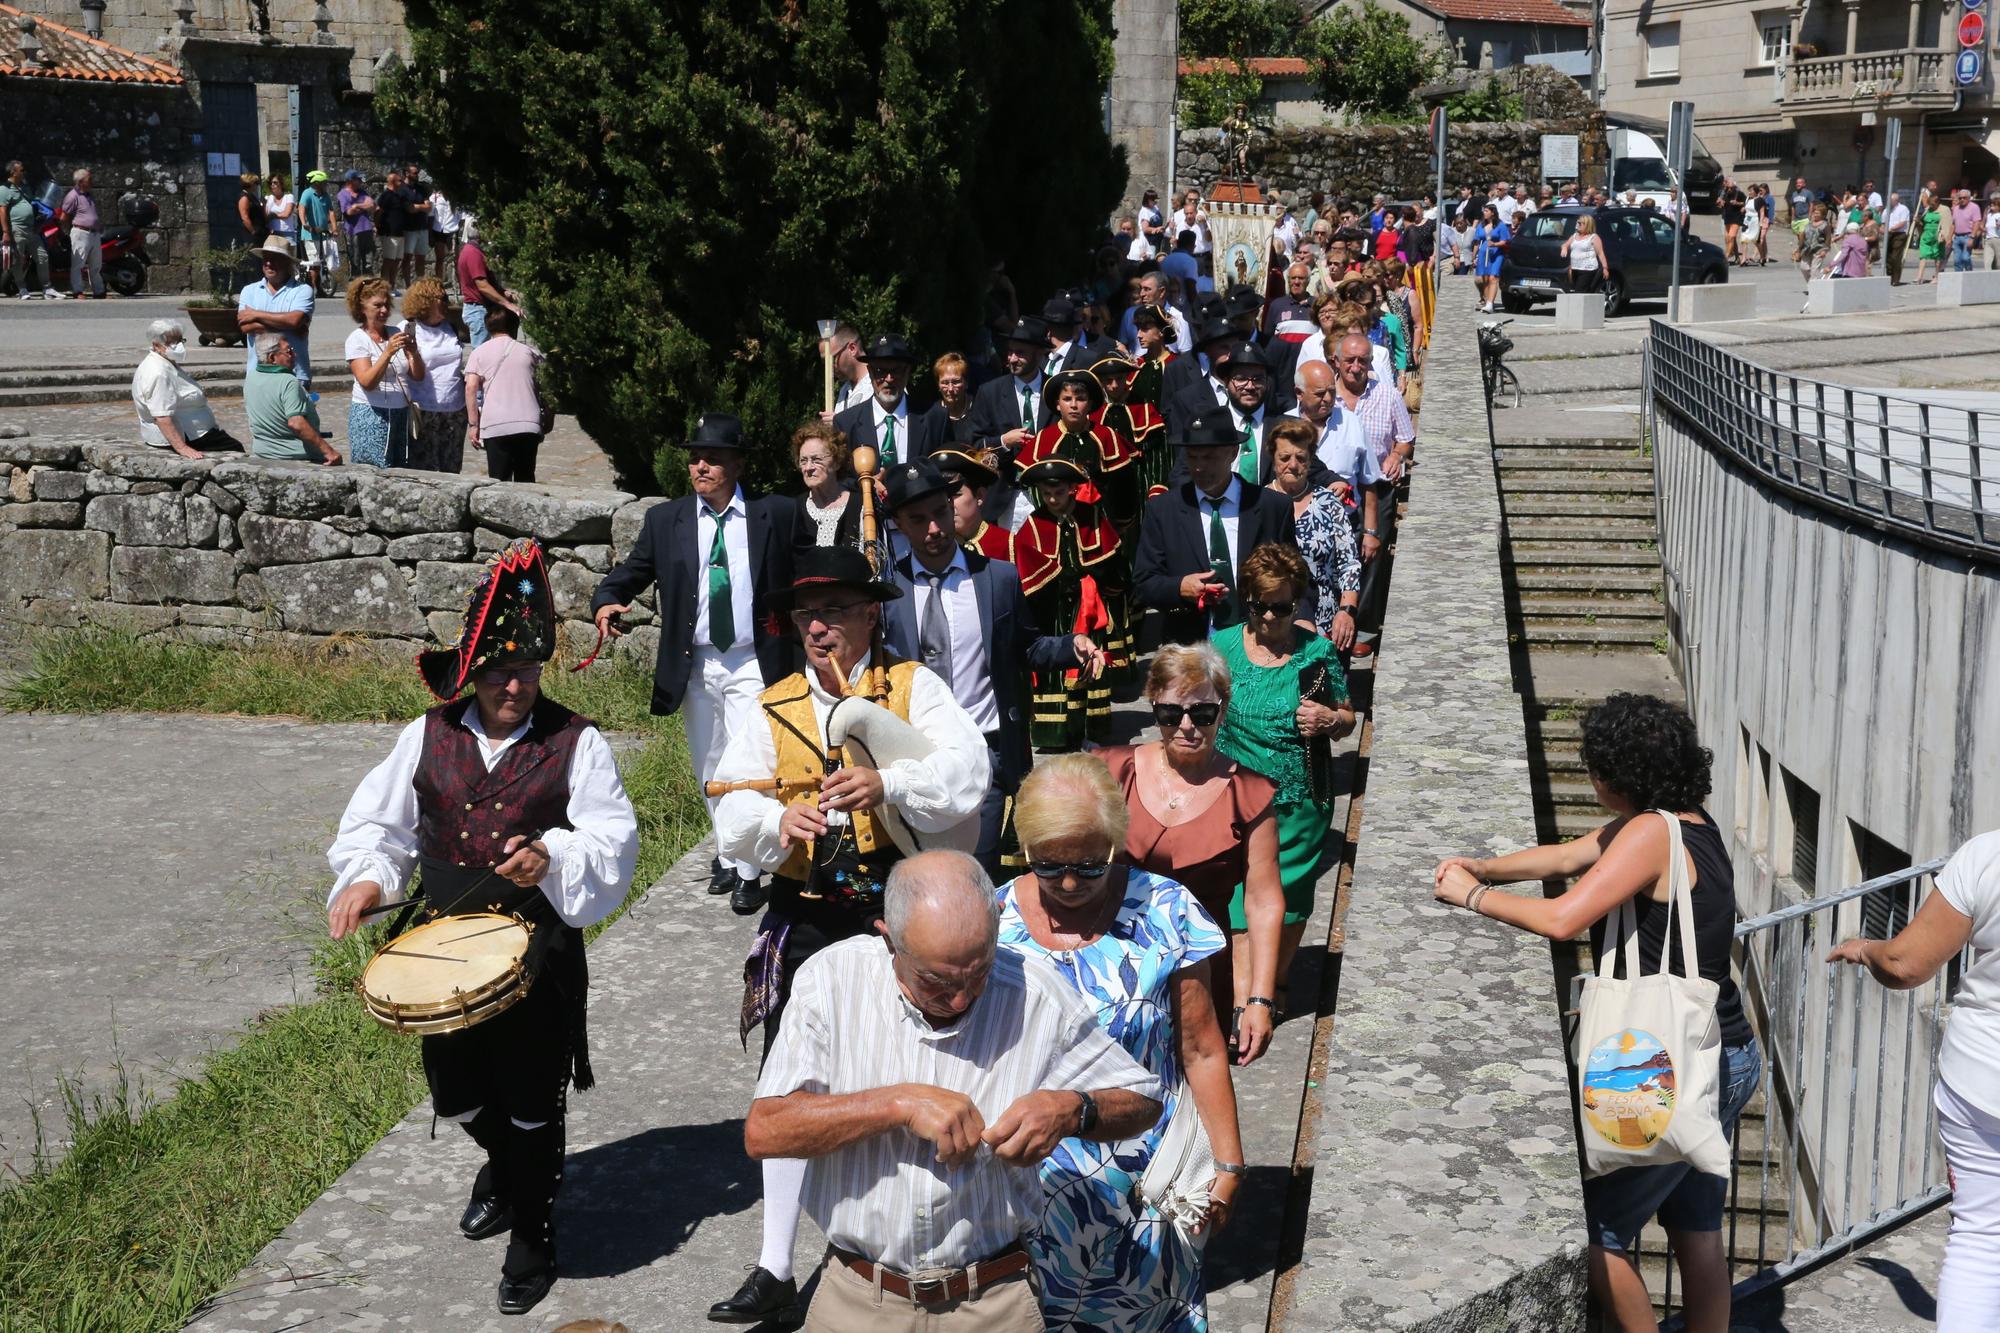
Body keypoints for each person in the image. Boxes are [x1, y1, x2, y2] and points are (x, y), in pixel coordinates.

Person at [326, 540, 640, 1316]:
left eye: (528, 672)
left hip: (536, 956)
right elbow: (381, 826)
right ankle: (508, 1165)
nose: (515, 686)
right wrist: (369, 876)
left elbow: (613, 838)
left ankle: (534, 1234)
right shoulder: (426, 735)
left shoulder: (576, 741)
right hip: (439, 956)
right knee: (458, 1095)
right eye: (501, 673)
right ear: (471, 672)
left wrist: (554, 856)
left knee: (534, 1098)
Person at [710, 550, 989, 1325]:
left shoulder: (913, 688)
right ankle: (772, 1265)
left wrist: (889, 781)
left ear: (872, 615)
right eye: (806, 614)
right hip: (806, 912)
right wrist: (775, 820)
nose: (819, 626)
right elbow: (729, 808)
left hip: (901, 915)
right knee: (790, 1081)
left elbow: (970, 772)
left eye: (835, 609)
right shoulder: (768, 707)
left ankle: (914, 1240)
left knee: (912, 1067)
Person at [1431, 693, 1759, 1333]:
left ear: (1618, 774)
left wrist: (1472, 896)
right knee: (1695, 1228)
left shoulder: (1646, 835)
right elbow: (1564, 857)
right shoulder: (1686, 820)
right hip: (1725, 1050)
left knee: (1592, 1229)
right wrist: (1486, 865)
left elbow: (1563, 917)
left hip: (1669, 1064)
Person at [745, 849, 1161, 1332]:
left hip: (992, 1302)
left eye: (978, 971)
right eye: (937, 981)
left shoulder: (1036, 991)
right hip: (858, 1300)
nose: (961, 998)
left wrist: (1071, 1110)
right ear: (889, 940)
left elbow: (1143, 1101)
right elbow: (766, 1131)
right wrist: (896, 1104)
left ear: (998, 922)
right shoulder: (832, 981)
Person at [1000, 755, 1244, 1327]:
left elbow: (1202, 1048)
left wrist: (1228, 1167)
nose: (1067, 883)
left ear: (1115, 842)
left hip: (1146, 1193)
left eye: (1088, 866)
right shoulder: (991, 920)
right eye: (1048, 865)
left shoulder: (1166, 911)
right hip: (1023, 1194)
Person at [592, 411, 798, 914]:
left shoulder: (779, 514)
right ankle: (728, 853)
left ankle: (752, 870)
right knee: (709, 763)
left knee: (752, 762)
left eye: (712, 458)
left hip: (755, 660)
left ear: (737, 464)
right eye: (694, 458)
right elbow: (634, 569)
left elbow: (808, 569)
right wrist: (606, 598)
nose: (700, 466)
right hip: (698, 662)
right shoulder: (668, 520)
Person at [881, 459, 1098, 877]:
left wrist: (1073, 645)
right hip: (915, 756)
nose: (934, 529)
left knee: (974, 870)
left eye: (941, 513)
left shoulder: (996, 579)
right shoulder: (889, 593)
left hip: (986, 750)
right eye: (917, 520)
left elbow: (1027, 647)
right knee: (924, 872)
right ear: (900, 527)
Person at [1827, 829, 2000, 1333]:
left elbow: (1904, 964)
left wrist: (1864, 949)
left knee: (1981, 1239)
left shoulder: (1987, 856)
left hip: (1982, 1081)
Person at [1096, 644, 1282, 1062]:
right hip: (1111, 966)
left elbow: (1263, 900)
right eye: (1169, 714)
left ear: (1222, 709)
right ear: (1153, 706)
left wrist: (1259, 1000)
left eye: (1201, 714)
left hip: (1200, 973)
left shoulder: (1249, 794)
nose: (1186, 727)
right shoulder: (1111, 772)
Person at [1213, 544, 1351, 1019]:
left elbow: (1349, 715)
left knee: (1290, 901)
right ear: (1246, 599)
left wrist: (1330, 719)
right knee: (1239, 904)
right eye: (1260, 606)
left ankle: (1276, 980)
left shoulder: (1317, 653)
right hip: (1234, 799)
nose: (1270, 617)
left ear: (1298, 603)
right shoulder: (1223, 647)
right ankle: (1243, 1003)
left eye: (1283, 607)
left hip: (1300, 798)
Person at [1134, 406, 1305, 645]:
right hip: (1189, 645)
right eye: (1193, 457)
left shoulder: (1271, 507)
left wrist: (1302, 619)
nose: (1200, 467)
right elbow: (1144, 582)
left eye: (1210, 457)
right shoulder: (1164, 510)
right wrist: (1180, 587)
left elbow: (1295, 575)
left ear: (1233, 453)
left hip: (1259, 641)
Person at [1009, 456, 1123, 752]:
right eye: (1046, 493)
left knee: (1089, 664)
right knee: (1057, 671)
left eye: (1058, 492)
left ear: (1072, 488)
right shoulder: (1034, 523)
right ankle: (1054, 734)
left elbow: (1110, 559)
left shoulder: (1092, 515)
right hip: (1054, 610)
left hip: (1088, 604)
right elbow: (1026, 568)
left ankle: (1088, 728)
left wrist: (1100, 581)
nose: (1052, 499)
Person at [1326, 332, 1414, 656]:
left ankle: (1360, 625)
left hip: (1376, 488)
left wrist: (1396, 456)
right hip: (1334, 490)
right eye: (1349, 360)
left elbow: (1405, 438)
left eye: (1363, 360)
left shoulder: (1387, 394)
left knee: (1369, 555)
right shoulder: (1324, 395)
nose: (1356, 367)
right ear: (1336, 361)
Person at [1266, 420, 1360, 650]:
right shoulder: (1258, 504)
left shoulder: (1329, 503)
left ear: (1310, 461)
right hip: (1270, 622)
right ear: (1273, 458)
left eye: (1301, 458)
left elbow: (1349, 563)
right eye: (1285, 457)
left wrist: (1347, 611)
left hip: (1326, 623)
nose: (1293, 465)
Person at [132, 319, 244, 458]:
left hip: (197, 432)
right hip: (189, 436)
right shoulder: (158, 372)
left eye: (180, 341)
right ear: (156, 345)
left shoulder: (165, 362)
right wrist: (182, 448)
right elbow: (161, 416)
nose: (178, 346)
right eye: (172, 342)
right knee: (236, 451)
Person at [344, 276, 423, 469]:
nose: (384, 311)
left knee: (402, 469)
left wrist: (413, 352)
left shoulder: (395, 331)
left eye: (387, 305)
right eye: (377, 306)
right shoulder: (357, 340)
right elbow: (367, 382)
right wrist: (387, 353)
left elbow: (418, 376)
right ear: (362, 307)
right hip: (372, 415)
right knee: (374, 470)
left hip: (400, 413)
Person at [830, 333, 943, 467]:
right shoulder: (846, 424)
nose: (888, 379)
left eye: (896, 370)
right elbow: (842, 479)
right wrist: (867, 483)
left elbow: (946, 473)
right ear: (870, 372)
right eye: (880, 371)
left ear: (907, 372)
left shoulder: (934, 418)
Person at [463, 306, 544, 482]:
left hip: (495, 424)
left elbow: (470, 388)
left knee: (498, 481)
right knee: (526, 478)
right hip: (528, 423)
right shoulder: (530, 352)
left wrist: (473, 424)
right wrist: (549, 415)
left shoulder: (479, 353)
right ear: (515, 327)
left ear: (488, 327)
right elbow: (545, 385)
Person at [403, 278, 469, 473]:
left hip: (455, 410)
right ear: (426, 300)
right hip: (425, 409)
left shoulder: (452, 327)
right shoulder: (409, 328)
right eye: (442, 298)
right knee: (426, 470)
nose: (447, 303)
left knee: (452, 468)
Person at [245, 332, 340, 464]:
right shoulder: (288, 381)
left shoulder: (252, 376)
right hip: (293, 453)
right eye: (289, 352)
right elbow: (296, 423)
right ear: (272, 358)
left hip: (263, 450)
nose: (294, 355)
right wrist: (328, 451)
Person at [236, 234, 315, 385]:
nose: (269, 263)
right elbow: (246, 326)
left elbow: (294, 320)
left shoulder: (303, 290)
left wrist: (255, 314)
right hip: (258, 374)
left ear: (287, 263)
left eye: (275, 259)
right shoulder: (249, 290)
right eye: (266, 258)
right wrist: (289, 327)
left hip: (295, 374)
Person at [792, 422, 860, 550]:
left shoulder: (860, 505)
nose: (808, 468)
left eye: (816, 459)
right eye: (803, 461)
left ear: (836, 462)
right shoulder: (795, 509)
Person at [456, 216, 519, 348]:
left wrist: (504, 292)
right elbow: (482, 286)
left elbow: (487, 283)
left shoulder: (474, 251)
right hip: (478, 310)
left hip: (481, 309)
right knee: (481, 355)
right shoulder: (473, 253)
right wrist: (507, 304)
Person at [2, 160, 58, 300]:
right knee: (18, 260)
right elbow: (2, 211)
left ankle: (47, 288)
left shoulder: (25, 187)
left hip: (32, 229)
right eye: (21, 170)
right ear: (13, 172)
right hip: (17, 229)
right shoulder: (4, 189)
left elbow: (34, 203)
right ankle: (22, 289)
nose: (24, 172)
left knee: (42, 257)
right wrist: (6, 232)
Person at [57, 167, 103, 299]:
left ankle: (99, 291)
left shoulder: (89, 195)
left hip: (94, 233)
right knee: (78, 264)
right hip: (81, 233)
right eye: (90, 178)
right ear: (81, 181)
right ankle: (77, 291)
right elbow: (64, 217)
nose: (92, 181)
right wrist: (67, 233)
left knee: (96, 265)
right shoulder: (72, 196)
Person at [298, 170, 337, 294]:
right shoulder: (307, 193)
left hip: (323, 233)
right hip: (310, 234)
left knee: (323, 261)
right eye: (324, 183)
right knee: (314, 263)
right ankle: (313, 288)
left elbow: (331, 212)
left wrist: (334, 228)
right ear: (316, 183)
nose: (326, 185)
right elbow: (301, 208)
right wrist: (304, 223)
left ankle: (320, 286)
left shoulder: (325, 195)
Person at [336, 171, 378, 282]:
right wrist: (364, 206)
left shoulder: (362, 192)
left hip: (367, 229)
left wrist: (357, 205)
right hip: (353, 231)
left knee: (368, 259)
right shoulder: (342, 194)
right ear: (351, 180)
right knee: (355, 259)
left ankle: (369, 282)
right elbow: (349, 211)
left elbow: (373, 206)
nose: (360, 182)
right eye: (358, 180)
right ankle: (356, 283)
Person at [399, 168, 433, 292]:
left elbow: (429, 207)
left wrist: (417, 206)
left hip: (422, 228)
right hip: (409, 229)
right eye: (414, 173)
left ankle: (420, 284)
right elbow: (409, 209)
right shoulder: (402, 189)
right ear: (407, 173)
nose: (417, 175)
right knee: (407, 257)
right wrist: (421, 207)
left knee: (421, 257)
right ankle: (408, 285)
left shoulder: (421, 189)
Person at [375, 170, 410, 288]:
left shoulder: (398, 196)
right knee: (388, 260)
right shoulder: (386, 196)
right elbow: (379, 212)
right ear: (393, 182)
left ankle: (392, 285)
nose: (402, 182)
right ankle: (383, 286)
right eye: (399, 180)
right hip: (389, 233)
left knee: (396, 260)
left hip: (399, 233)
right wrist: (377, 226)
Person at [1471, 202, 1508, 313]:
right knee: (1484, 278)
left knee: (1493, 278)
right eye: (1484, 211)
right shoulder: (1481, 225)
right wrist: (1474, 256)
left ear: (1492, 213)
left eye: (1486, 211)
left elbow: (1505, 241)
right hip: (1483, 253)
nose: (1484, 213)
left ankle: (1490, 304)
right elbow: (1477, 242)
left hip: (1496, 253)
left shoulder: (1500, 225)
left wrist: (1495, 244)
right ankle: (1487, 301)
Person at [934, 352, 977, 444]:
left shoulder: (979, 409)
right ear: (938, 385)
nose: (950, 389)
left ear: (966, 383)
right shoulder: (932, 415)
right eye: (945, 383)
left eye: (956, 382)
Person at [1916, 190, 1947, 284]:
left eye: (1932, 204)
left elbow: (1947, 224)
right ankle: (1919, 277)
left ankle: (1936, 276)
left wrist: (1945, 236)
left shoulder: (1943, 210)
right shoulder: (1927, 210)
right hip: (1926, 236)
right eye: (1929, 204)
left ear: (1937, 203)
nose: (1931, 206)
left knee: (1937, 257)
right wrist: (1918, 221)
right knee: (1923, 255)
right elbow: (1922, 223)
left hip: (1937, 236)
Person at [1883, 191, 1912, 285]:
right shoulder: (1887, 209)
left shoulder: (1903, 209)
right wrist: (1883, 229)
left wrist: (1892, 228)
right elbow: (1883, 222)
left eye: (1890, 200)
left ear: (1895, 200)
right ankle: (1889, 276)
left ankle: (1895, 279)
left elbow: (1903, 222)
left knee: (1895, 257)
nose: (1888, 201)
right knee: (1888, 257)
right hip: (1889, 234)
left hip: (1899, 234)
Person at [1952, 188, 1983, 272]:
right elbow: (1953, 224)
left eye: (1964, 197)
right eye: (1960, 198)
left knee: (1965, 258)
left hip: (1968, 236)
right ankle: (1958, 278)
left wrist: (1972, 237)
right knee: (1957, 260)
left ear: (1969, 198)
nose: (1962, 199)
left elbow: (1977, 222)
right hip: (1957, 237)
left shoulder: (1974, 207)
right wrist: (1949, 238)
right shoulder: (1956, 208)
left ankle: (1969, 274)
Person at [262, 172, 296, 240]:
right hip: (272, 233)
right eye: (270, 183)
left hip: (287, 233)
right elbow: (266, 217)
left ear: (281, 184)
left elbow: (286, 214)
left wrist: (273, 215)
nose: (272, 185)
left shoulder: (289, 197)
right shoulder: (268, 198)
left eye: (275, 182)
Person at [1719, 179, 1744, 266]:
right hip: (1727, 218)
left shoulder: (1739, 193)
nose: (1729, 190)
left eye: (1730, 188)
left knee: (1732, 236)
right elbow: (1720, 203)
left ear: (1734, 187)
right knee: (1728, 238)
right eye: (1727, 188)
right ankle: (1737, 256)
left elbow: (1745, 203)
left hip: (1736, 218)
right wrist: (1720, 203)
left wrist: (1737, 203)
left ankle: (1726, 256)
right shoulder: (1725, 193)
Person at [235, 172, 266, 242]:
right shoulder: (244, 198)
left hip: (259, 231)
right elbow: (244, 217)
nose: (257, 185)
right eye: (256, 183)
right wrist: (253, 231)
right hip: (250, 235)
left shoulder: (251, 196)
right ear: (250, 183)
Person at [1986, 194, 2000, 273]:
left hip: (1997, 239)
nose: (1992, 206)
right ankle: (1988, 277)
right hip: (1988, 240)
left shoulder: (1999, 215)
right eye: (1991, 204)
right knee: (1987, 262)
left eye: (1994, 205)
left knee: (1998, 263)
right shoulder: (1989, 215)